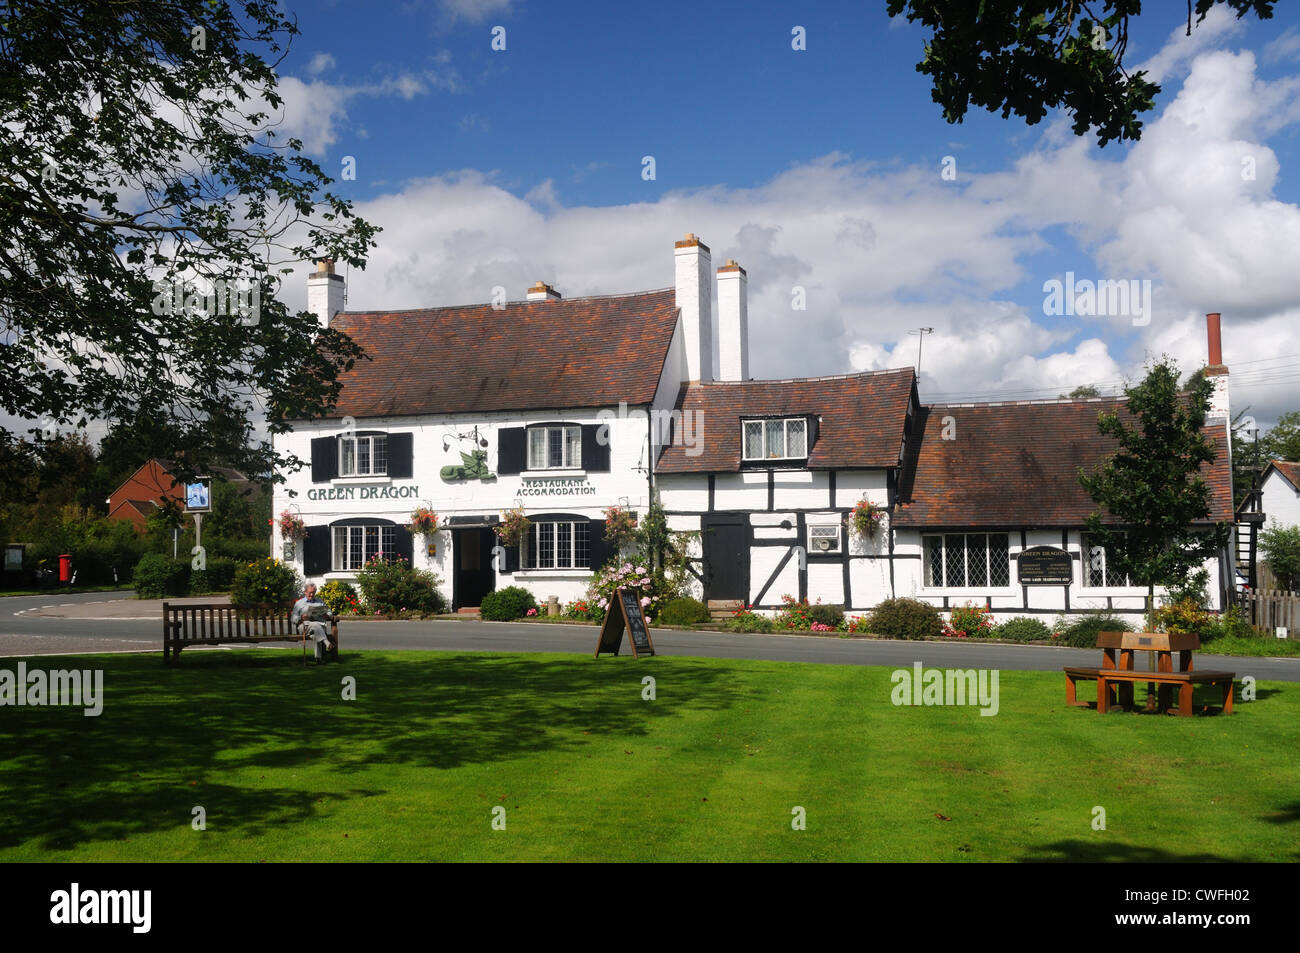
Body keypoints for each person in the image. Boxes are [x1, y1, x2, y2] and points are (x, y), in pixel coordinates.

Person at [291, 583, 334, 664]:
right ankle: (327, 643)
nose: (312, 594)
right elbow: (293, 619)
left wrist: (327, 615)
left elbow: (329, 612)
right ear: (305, 592)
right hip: (304, 626)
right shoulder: (299, 603)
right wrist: (301, 618)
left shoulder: (320, 601)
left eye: (313, 592)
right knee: (316, 625)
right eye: (310, 592)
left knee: (316, 634)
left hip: (318, 627)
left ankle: (318, 659)